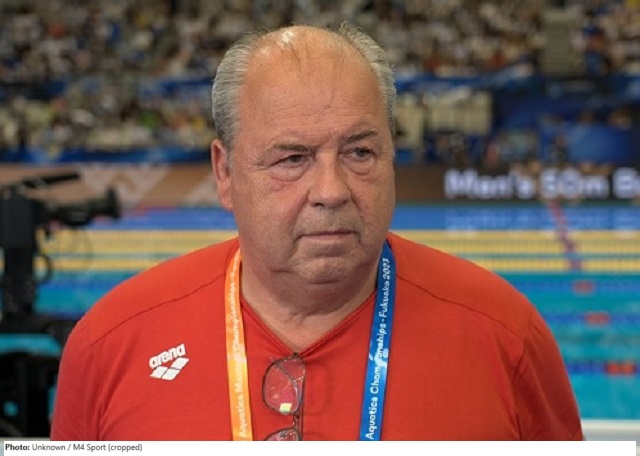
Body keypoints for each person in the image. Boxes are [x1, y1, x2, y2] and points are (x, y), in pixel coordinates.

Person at [50, 22, 584, 441]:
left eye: (360, 152)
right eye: (292, 158)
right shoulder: (110, 344)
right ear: (225, 173)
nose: (331, 190)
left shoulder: (506, 336)